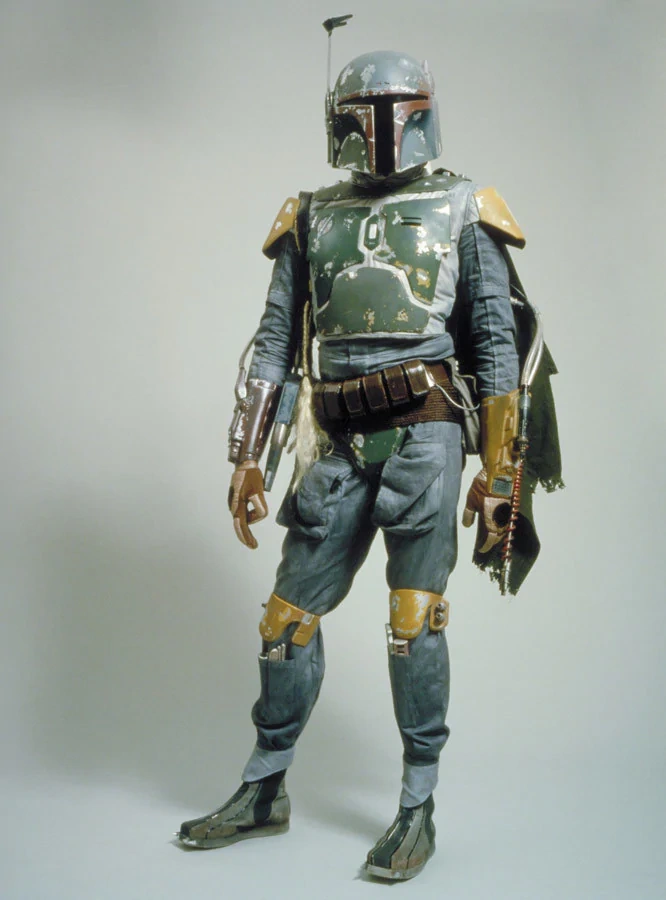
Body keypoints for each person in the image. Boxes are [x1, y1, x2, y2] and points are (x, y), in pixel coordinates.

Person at [177, 48, 535, 881]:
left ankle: (417, 805)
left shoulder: (464, 207)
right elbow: (276, 341)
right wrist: (250, 456)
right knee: (286, 620)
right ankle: (264, 787)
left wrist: (501, 472)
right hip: (337, 439)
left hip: (425, 433)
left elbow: (496, 346)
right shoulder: (310, 214)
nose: (373, 132)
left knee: (415, 621)